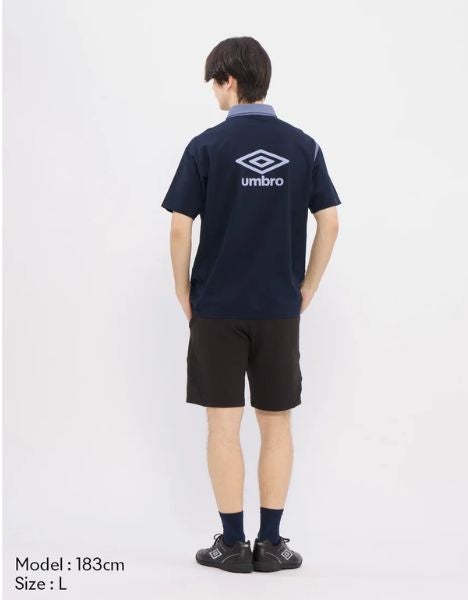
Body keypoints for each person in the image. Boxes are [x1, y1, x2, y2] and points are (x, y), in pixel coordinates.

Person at [161, 36, 341, 573]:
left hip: (216, 309)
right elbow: (330, 221)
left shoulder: (206, 147)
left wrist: (183, 292)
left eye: (214, 83)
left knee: (223, 425)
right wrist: (307, 287)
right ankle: (273, 544)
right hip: (277, 310)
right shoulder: (303, 146)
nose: (213, 93)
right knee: (276, 424)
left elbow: (179, 227)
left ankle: (233, 545)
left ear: (230, 81)